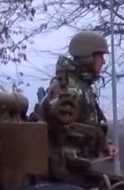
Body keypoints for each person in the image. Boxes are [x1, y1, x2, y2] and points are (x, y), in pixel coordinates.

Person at [33, 30, 118, 161]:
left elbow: (86, 122)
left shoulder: (80, 85)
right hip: (63, 164)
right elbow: (62, 130)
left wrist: (105, 144)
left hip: (77, 162)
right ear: (88, 56)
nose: (103, 62)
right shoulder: (68, 87)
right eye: (100, 56)